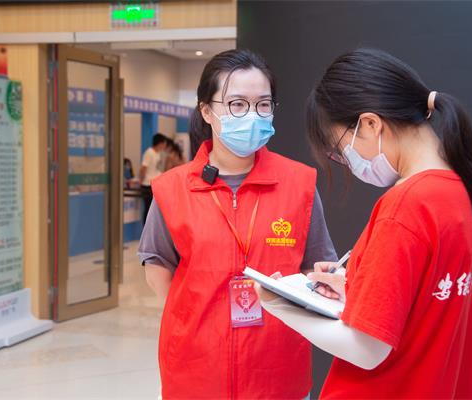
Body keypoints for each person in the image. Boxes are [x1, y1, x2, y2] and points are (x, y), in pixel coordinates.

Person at [256, 48, 472, 399]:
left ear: (371, 124)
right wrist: (358, 289)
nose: (346, 161)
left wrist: (279, 304)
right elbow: (429, 310)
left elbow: (368, 349)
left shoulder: (407, 206)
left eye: (340, 150)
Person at [137, 49, 337, 399]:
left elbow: (316, 264)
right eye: (237, 104)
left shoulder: (299, 183)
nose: (252, 115)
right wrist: (199, 318)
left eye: (263, 105)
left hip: (277, 371)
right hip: (195, 371)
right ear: (206, 111)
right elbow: (157, 268)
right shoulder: (172, 189)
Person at [138, 133, 167, 224]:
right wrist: (140, 180)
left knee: (153, 209)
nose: (165, 146)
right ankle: (146, 226)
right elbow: (144, 168)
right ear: (160, 143)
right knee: (148, 208)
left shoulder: (157, 154)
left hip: (154, 183)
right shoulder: (149, 152)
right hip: (147, 184)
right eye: (164, 143)